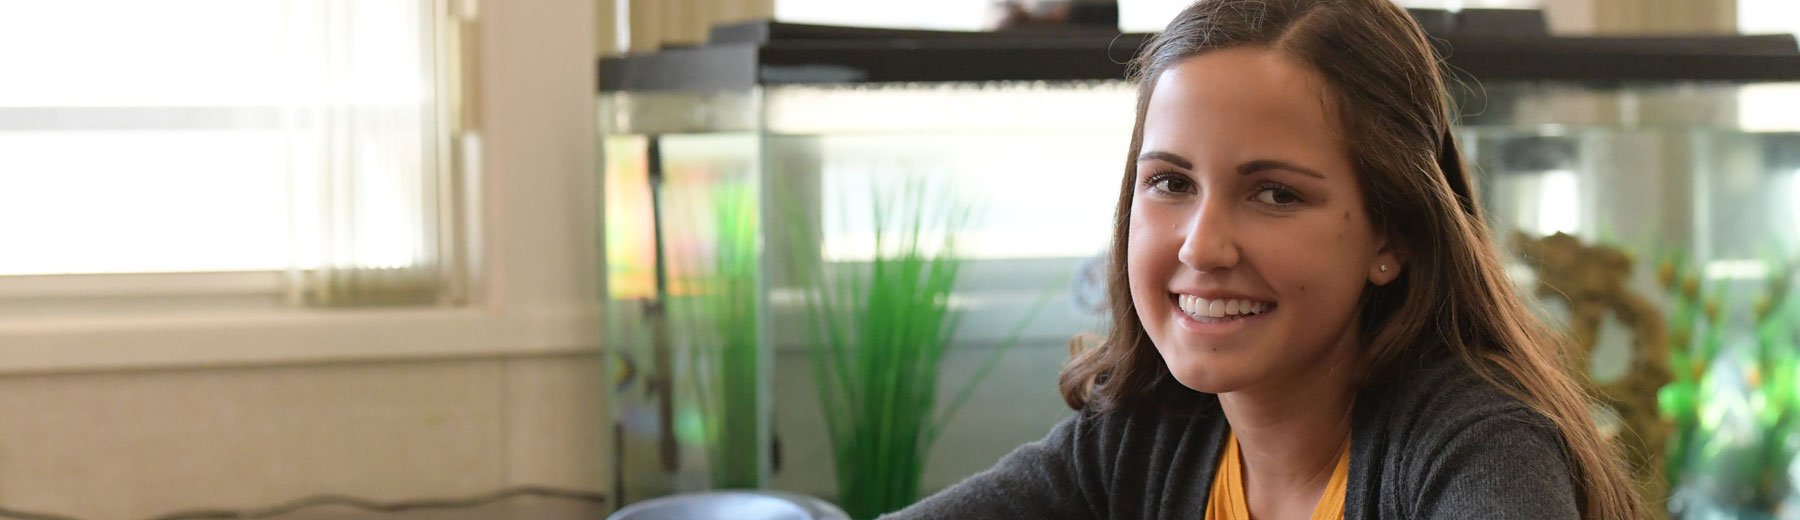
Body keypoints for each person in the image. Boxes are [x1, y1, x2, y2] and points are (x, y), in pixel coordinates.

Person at [881, 0, 1645, 518]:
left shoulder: (1475, 444)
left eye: (1276, 194)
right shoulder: (1139, 442)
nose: (1202, 245)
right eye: (1171, 183)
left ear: (1392, 236)